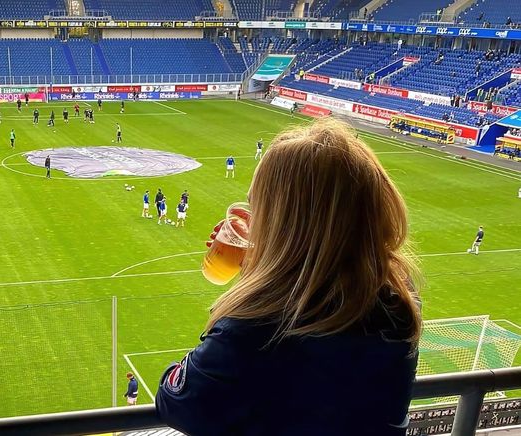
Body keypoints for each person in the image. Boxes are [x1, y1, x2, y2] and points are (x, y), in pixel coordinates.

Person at [156, 119, 422, 436]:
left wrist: (258, 278)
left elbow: (179, 403)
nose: (252, 218)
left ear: (288, 223)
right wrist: (267, 264)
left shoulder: (259, 326)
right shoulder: (399, 298)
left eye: (260, 208)